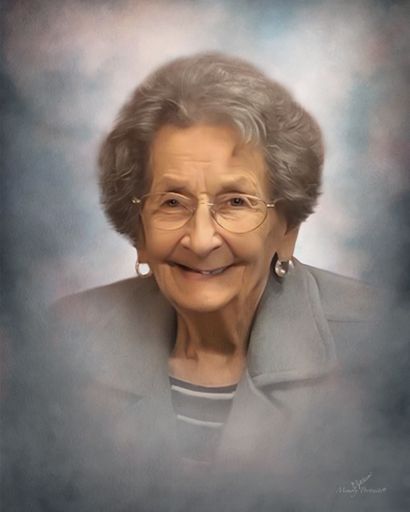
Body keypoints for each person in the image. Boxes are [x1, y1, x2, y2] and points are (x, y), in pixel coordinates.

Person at [44, 53, 386, 512]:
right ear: (139, 231)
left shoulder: (378, 345)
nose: (201, 239)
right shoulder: (64, 341)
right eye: (172, 202)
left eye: (236, 202)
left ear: (286, 229)